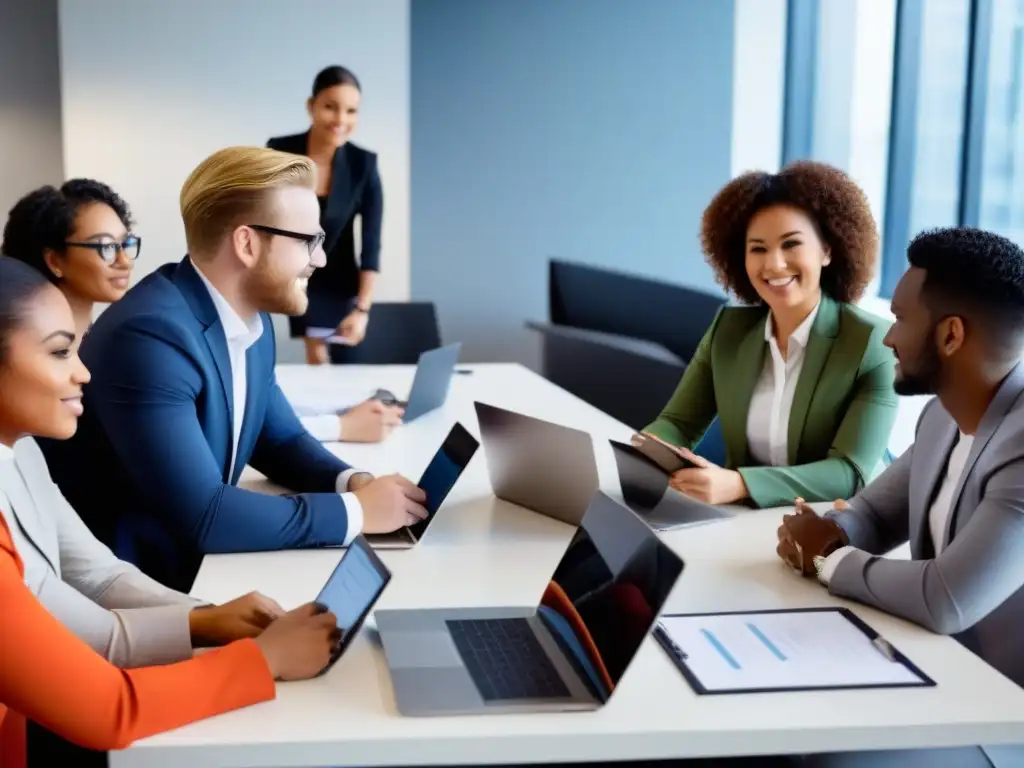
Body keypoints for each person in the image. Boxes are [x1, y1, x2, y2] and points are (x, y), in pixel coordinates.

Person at [0, 255, 341, 768]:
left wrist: (205, 619)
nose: (83, 372)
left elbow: (93, 574)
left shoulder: (19, 447)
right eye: (60, 352)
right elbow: (106, 707)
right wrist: (263, 660)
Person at [40, 147, 427, 593]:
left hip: (197, 567)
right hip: (138, 586)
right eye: (309, 242)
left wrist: (354, 481)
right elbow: (206, 515)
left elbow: (278, 438)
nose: (319, 259)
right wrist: (356, 513)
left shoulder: (250, 318)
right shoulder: (150, 335)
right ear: (247, 243)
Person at [777, 228, 1024, 768]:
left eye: (902, 319)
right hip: (927, 673)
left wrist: (827, 557)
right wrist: (831, 530)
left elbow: (947, 598)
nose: (889, 338)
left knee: (813, 754)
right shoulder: (943, 414)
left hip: (1001, 719)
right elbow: (873, 511)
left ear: (952, 335)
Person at [1, 181, 401, 445]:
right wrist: (340, 427)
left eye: (128, 243)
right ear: (54, 259)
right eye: (106, 247)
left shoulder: (100, 333)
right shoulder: (132, 340)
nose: (125, 261)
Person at [641, 161, 897, 509]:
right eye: (758, 249)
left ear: (827, 250)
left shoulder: (872, 343)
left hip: (844, 524)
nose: (774, 265)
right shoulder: (728, 329)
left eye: (791, 244)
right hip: (748, 522)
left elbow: (849, 473)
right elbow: (677, 423)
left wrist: (741, 484)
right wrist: (649, 449)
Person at [268, 65, 383, 367]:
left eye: (351, 111)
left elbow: (371, 246)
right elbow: (264, 223)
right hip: (286, 277)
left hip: (341, 290)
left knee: (347, 375)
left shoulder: (364, 165)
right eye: (330, 107)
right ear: (311, 106)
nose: (341, 120)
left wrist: (362, 309)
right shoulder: (279, 152)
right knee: (309, 367)